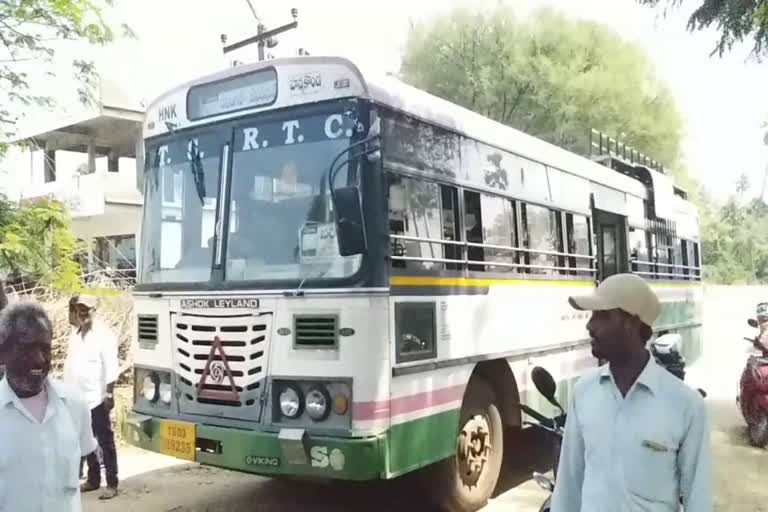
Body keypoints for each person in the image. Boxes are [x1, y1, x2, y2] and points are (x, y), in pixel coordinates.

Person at [551, 273, 712, 511]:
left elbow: (698, 500)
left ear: (632, 323)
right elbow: (568, 489)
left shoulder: (686, 405)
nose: (590, 326)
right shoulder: (584, 393)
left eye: (602, 316)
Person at [0, 301, 98, 512]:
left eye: (45, 348)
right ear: (2, 353)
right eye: (26, 348)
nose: (38, 359)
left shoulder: (75, 404)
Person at [63, 295, 120, 500]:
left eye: (87, 310)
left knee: (105, 440)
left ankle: (112, 483)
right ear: (74, 312)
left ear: (93, 310)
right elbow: (69, 369)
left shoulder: (103, 335)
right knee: (85, 440)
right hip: (78, 399)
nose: (84, 314)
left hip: (97, 397)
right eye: (80, 310)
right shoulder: (75, 336)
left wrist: (109, 393)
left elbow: (111, 365)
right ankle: (93, 479)